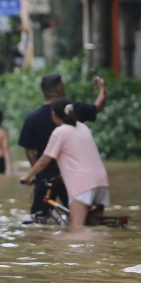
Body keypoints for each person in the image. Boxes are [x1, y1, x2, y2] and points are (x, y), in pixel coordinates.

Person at [18, 73, 106, 219]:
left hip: (46, 178)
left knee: (38, 220)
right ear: (60, 89)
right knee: (83, 218)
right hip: (73, 177)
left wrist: (37, 175)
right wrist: (102, 88)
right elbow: (99, 106)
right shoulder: (74, 111)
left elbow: (30, 152)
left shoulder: (32, 118)